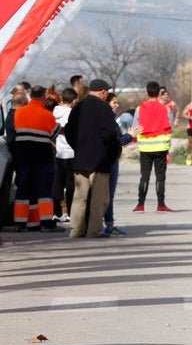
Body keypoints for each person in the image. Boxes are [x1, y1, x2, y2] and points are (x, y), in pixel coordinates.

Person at [65, 79, 120, 238]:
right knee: (98, 198)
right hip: (100, 161)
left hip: (80, 159)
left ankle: (76, 231)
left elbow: (68, 131)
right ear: (103, 92)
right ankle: (94, 230)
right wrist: (113, 153)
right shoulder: (104, 108)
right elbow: (110, 135)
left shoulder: (78, 107)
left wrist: (77, 147)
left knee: (79, 198)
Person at [13, 85, 61, 232]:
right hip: (42, 157)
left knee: (24, 188)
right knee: (43, 189)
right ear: (43, 96)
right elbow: (54, 134)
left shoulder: (19, 112)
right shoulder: (47, 114)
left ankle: (23, 223)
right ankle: (46, 223)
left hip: (23, 156)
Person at [103, 92, 142, 237]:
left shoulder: (108, 120)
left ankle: (102, 224)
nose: (117, 105)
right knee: (108, 194)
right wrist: (130, 136)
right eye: (114, 102)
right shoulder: (108, 121)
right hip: (110, 161)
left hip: (107, 159)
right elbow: (116, 141)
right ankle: (109, 225)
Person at [133, 81, 173, 213]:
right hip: (161, 147)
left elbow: (135, 128)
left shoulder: (139, 109)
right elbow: (171, 127)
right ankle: (161, 205)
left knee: (144, 176)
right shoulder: (166, 108)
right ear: (159, 93)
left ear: (147, 92)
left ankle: (140, 205)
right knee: (160, 177)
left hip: (145, 148)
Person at [52, 87, 77, 223]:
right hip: (71, 153)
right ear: (74, 101)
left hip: (58, 152)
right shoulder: (73, 114)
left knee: (58, 184)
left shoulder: (54, 112)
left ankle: (57, 212)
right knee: (71, 185)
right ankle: (70, 212)